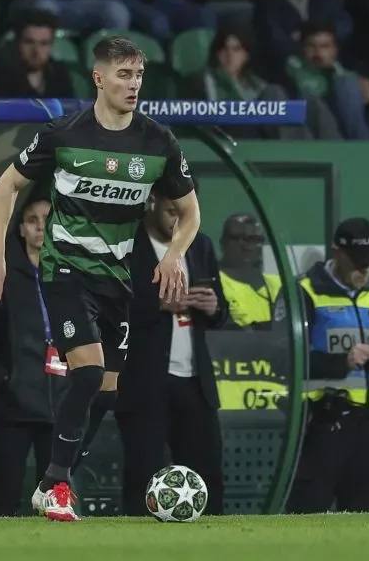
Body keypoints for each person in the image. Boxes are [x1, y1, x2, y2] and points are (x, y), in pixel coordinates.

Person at [0, 36, 200, 522]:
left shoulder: (157, 142)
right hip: (65, 271)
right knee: (88, 372)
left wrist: (175, 255)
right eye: (124, 75)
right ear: (99, 78)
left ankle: (49, 481)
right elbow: (7, 185)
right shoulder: (64, 134)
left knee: (108, 392)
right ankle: (58, 483)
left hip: (115, 278)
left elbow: (190, 211)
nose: (133, 84)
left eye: (139, 75)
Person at [286, 217, 369, 514]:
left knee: (364, 517)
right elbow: (287, 360)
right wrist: (342, 362)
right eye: (357, 261)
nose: (364, 269)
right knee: (306, 516)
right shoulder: (306, 293)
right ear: (336, 252)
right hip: (321, 424)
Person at [115, 192, 227, 516]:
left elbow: (221, 311)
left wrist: (214, 307)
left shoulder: (200, 245)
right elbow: (108, 307)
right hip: (144, 381)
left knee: (207, 470)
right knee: (143, 472)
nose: (178, 221)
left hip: (194, 381)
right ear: (152, 202)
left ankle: (213, 540)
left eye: (185, 213)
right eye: (170, 212)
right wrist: (157, 305)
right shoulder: (128, 246)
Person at [0, 188, 69, 516]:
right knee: (6, 496)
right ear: (20, 228)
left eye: (46, 221)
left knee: (56, 502)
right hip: (13, 409)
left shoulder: (72, 275)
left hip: (62, 407)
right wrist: (6, 380)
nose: (40, 227)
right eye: (32, 220)